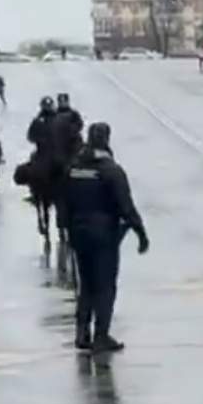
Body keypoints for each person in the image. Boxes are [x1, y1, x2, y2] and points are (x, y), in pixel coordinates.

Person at [61, 122, 149, 353]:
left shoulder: (73, 168)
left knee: (86, 284)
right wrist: (141, 234)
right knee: (105, 286)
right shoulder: (111, 170)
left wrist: (68, 230)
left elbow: (64, 204)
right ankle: (101, 335)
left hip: (79, 235)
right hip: (104, 236)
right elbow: (126, 206)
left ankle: (81, 332)